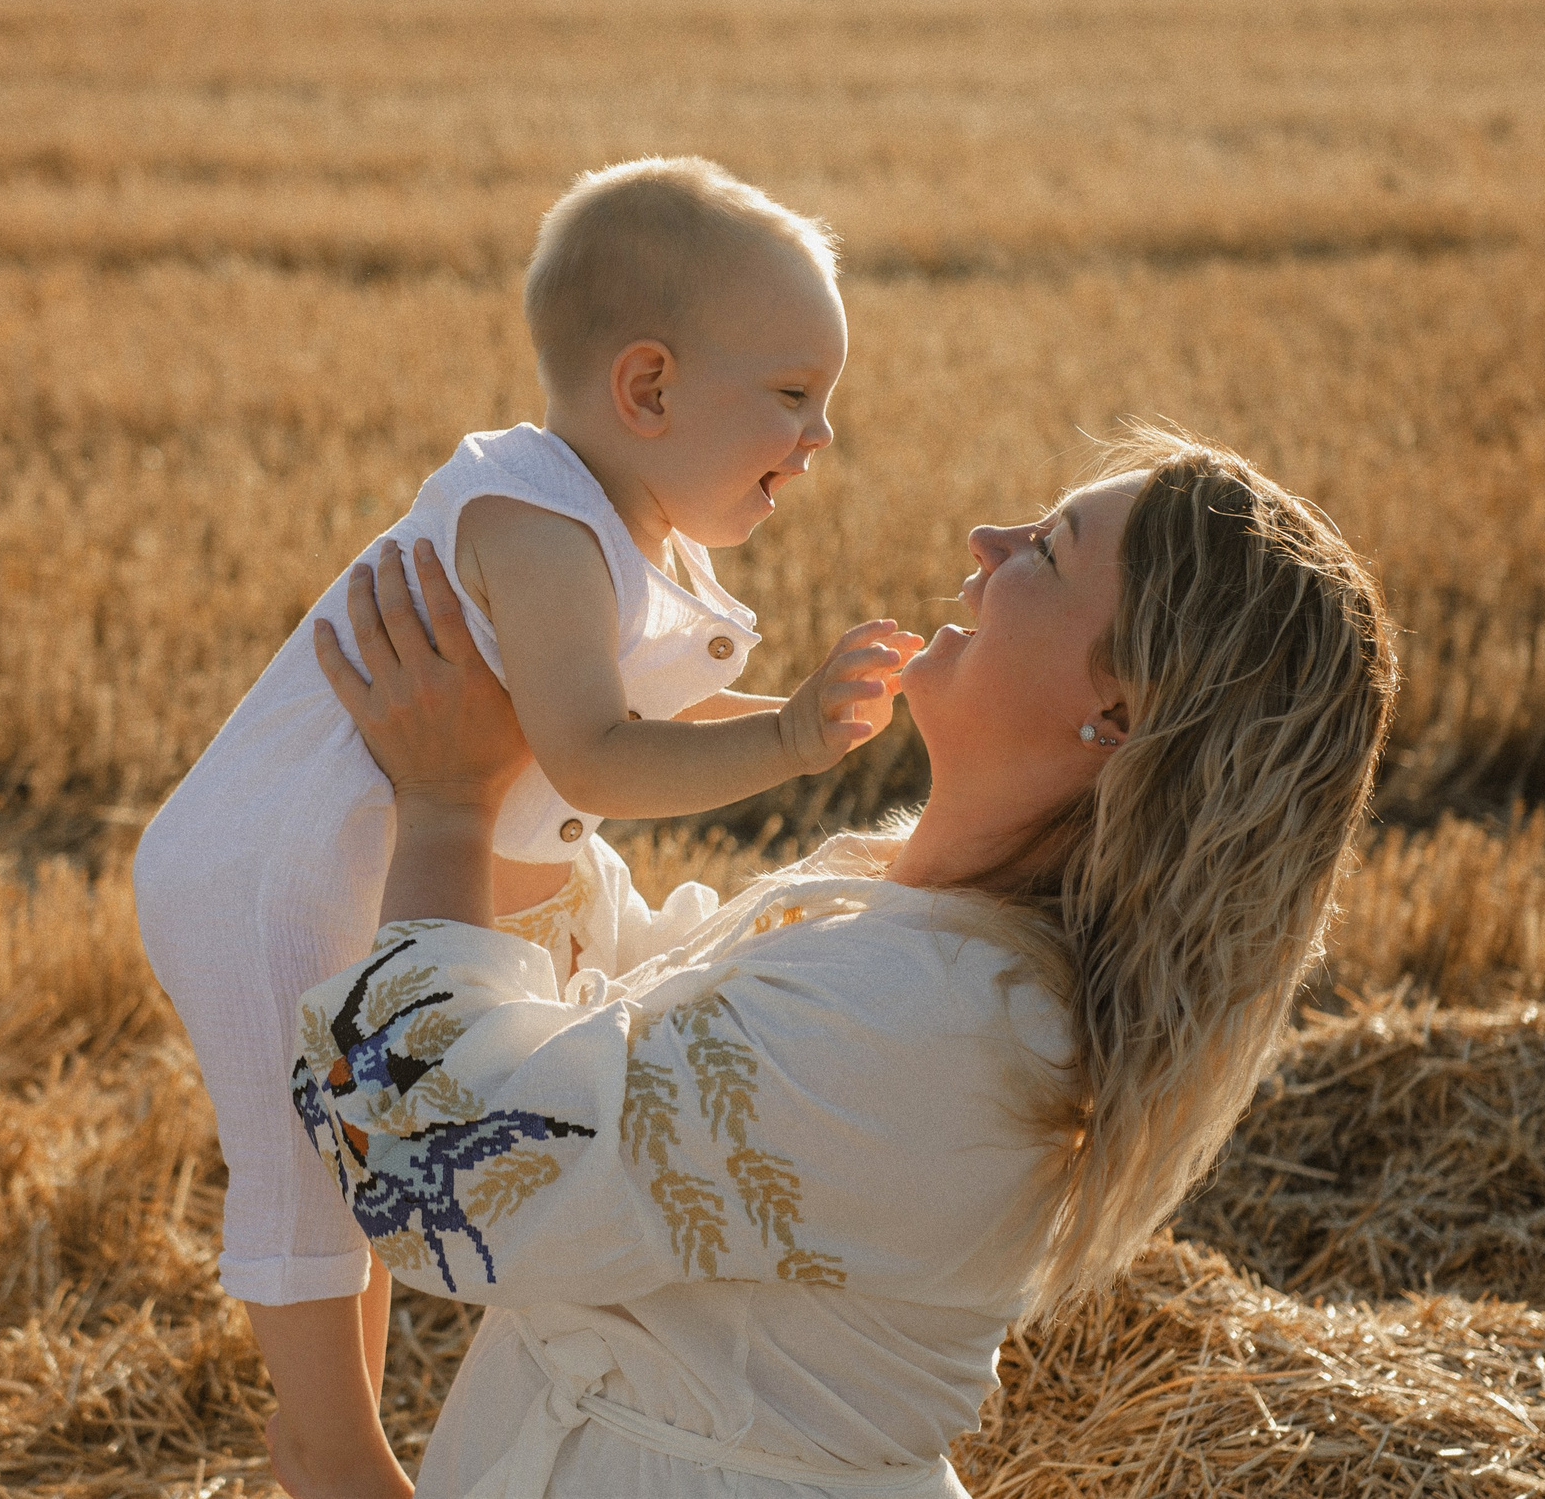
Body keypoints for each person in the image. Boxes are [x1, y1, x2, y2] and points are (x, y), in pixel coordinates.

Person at [301, 428, 1399, 1497]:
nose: (987, 538)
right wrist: (538, 770)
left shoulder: (937, 1023)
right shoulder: (919, 917)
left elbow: (437, 1164)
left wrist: (450, 804)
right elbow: (644, 1015)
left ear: (1116, 712)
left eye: (1051, 550)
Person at [132, 158, 913, 1493]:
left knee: (355, 1140)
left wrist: (813, 709)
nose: (820, 434)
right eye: (792, 395)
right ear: (649, 388)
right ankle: (326, 1445)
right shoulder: (539, 521)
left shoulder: (634, 526)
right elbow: (594, 753)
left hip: (358, 860)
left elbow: (628, 701)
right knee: (310, 1162)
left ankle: (340, 1420)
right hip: (277, 869)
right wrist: (788, 739)